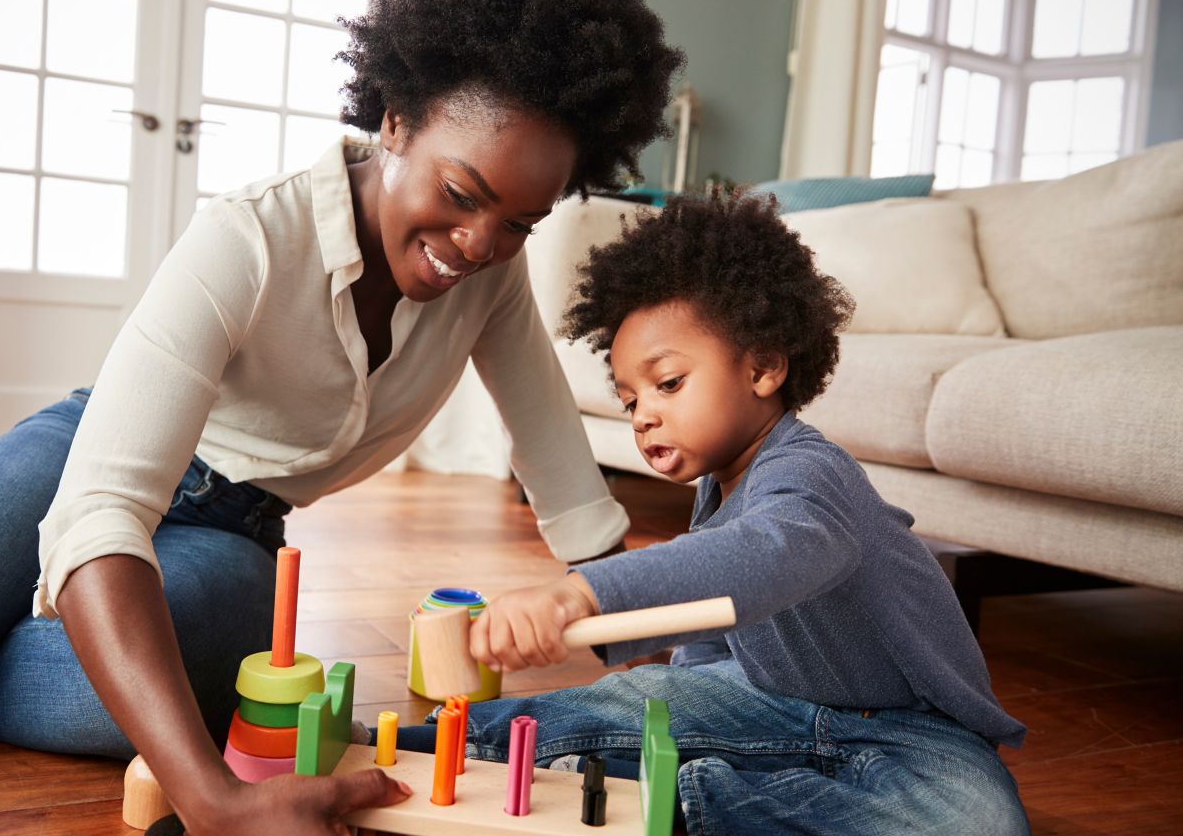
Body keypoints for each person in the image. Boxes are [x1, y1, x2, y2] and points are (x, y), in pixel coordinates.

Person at [0, 0, 684, 833]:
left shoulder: (490, 286)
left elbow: (574, 499)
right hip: (81, 470)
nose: (478, 243)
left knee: (120, 703)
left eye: (519, 222)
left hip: (233, 538)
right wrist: (206, 798)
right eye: (461, 194)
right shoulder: (249, 237)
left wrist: (675, 660)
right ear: (397, 119)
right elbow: (100, 509)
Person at [396, 192, 1031, 835]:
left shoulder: (812, 478)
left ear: (764, 367)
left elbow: (761, 559)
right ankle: (418, 750)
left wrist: (581, 596)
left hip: (912, 734)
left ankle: (690, 805)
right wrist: (678, 702)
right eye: (629, 400)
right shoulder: (717, 490)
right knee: (630, 703)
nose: (643, 413)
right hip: (768, 702)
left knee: (979, 822)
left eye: (668, 383)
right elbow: (708, 637)